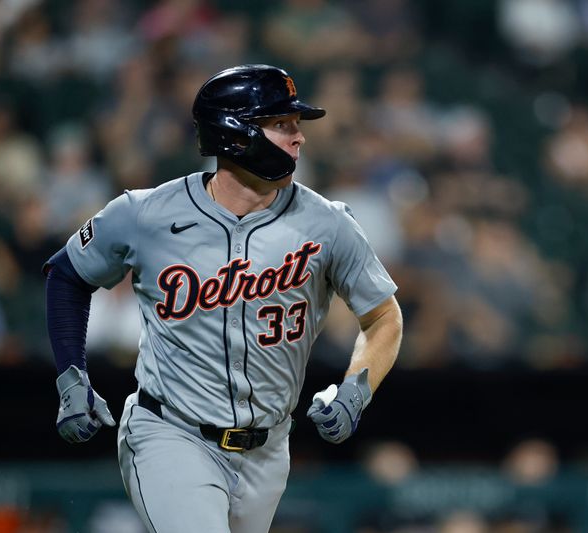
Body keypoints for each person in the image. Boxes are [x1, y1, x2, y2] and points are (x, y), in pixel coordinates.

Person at [43, 64, 403, 533]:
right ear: (235, 134)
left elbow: (383, 317)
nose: (300, 137)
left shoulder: (328, 224)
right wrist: (72, 376)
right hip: (170, 432)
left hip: (269, 451)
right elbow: (66, 274)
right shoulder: (146, 214)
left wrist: (358, 388)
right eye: (282, 125)